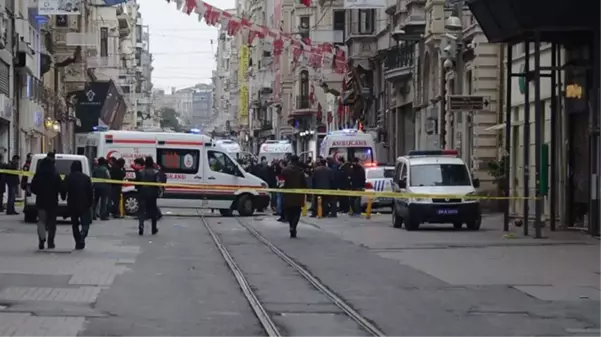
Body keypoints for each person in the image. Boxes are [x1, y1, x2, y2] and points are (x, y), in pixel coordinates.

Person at [30, 157, 63, 250]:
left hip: (41, 201)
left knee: (41, 221)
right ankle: (50, 242)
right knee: (52, 223)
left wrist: (39, 192)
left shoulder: (38, 175)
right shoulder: (55, 175)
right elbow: (60, 187)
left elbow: (33, 187)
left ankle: (41, 239)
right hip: (52, 202)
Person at [61, 161, 93, 250]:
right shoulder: (86, 178)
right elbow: (90, 191)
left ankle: (78, 241)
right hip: (84, 204)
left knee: (74, 224)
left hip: (72, 204)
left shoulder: (68, 177)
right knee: (85, 223)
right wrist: (90, 202)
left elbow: (64, 189)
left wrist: (63, 197)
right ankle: (83, 235)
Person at [281, 155, 307, 238]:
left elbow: (281, 182)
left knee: (289, 211)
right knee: (297, 212)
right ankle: (293, 227)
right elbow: (304, 183)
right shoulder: (300, 171)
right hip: (298, 196)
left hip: (287, 195)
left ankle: (291, 226)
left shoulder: (285, 170)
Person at [135, 156, 161, 236]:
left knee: (141, 211)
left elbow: (137, 184)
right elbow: (158, 183)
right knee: (153, 211)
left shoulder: (141, 172)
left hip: (142, 193)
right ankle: (153, 229)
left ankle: (141, 226)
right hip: (152, 194)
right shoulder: (156, 172)